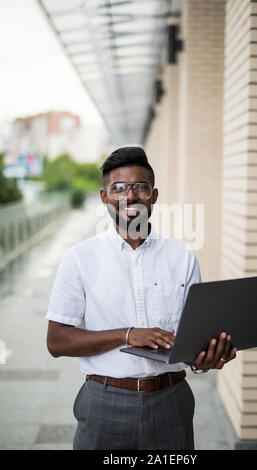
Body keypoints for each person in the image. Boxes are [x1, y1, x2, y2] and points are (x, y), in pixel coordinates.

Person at [45, 146, 237, 450]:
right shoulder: (79, 258)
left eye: (140, 187)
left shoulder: (182, 257)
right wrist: (128, 335)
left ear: (155, 195)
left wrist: (206, 358)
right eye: (118, 188)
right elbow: (56, 342)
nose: (130, 197)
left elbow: (189, 338)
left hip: (172, 402)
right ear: (104, 197)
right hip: (104, 402)